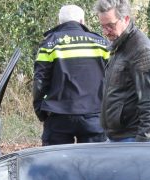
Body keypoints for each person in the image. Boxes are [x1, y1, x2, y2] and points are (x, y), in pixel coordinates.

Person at [33, 5, 110, 145]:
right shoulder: (101, 43)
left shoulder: (49, 44)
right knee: (92, 164)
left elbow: (40, 81)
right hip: (93, 115)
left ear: (60, 22)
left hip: (58, 115)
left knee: (56, 163)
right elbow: (113, 79)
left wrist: (40, 109)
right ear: (82, 21)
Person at [94, 0, 150, 142]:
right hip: (117, 136)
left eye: (110, 25)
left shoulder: (142, 50)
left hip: (133, 138)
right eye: (103, 26)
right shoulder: (119, 45)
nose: (106, 32)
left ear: (125, 19)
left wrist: (141, 144)